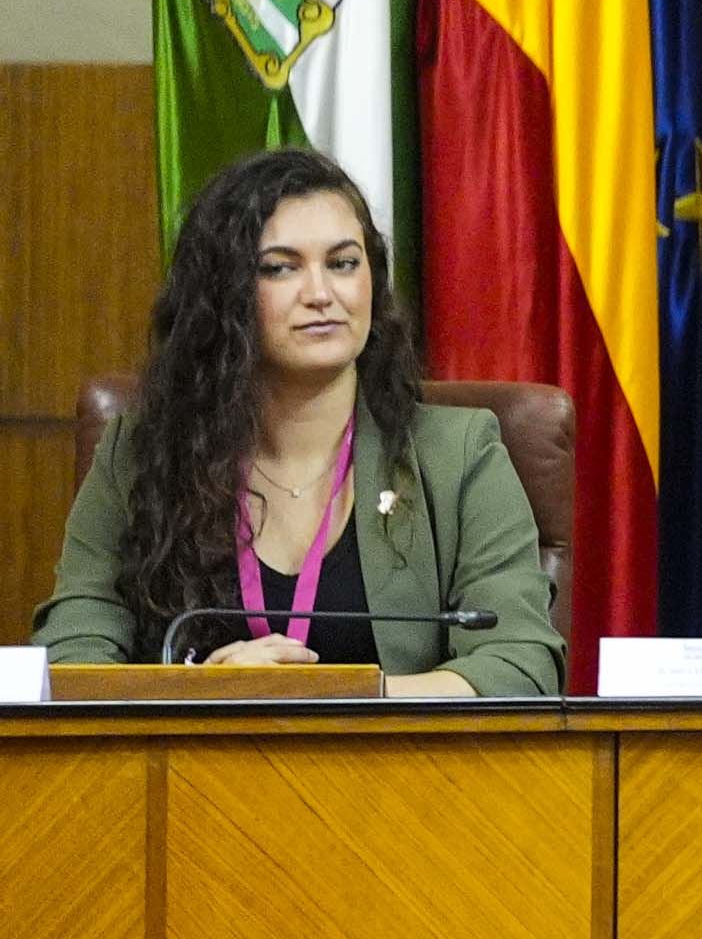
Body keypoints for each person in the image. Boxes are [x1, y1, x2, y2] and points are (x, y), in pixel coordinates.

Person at [36, 146, 563, 693]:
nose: (321, 294)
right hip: (201, 748)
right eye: (280, 268)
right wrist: (201, 693)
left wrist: (339, 695)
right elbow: (69, 662)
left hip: (394, 749)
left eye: (343, 263)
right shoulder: (136, 455)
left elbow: (521, 665)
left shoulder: (457, 454)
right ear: (222, 293)